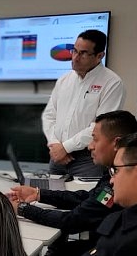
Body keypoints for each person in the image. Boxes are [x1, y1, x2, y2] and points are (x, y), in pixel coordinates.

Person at [8, 110, 137, 256]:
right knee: (54, 252)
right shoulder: (112, 175)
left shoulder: (116, 184)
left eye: (95, 139)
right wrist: (38, 194)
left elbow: (73, 221)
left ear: (116, 143)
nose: (90, 145)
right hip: (101, 248)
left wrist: (22, 209)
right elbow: (88, 199)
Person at [42, 29, 124, 178]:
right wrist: (55, 145)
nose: (75, 58)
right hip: (57, 156)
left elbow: (101, 127)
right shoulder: (64, 80)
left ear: (100, 56)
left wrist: (66, 147)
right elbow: (49, 115)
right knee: (50, 198)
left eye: (83, 53)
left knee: (84, 200)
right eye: (74, 51)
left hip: (88, 158)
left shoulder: (112, 83)